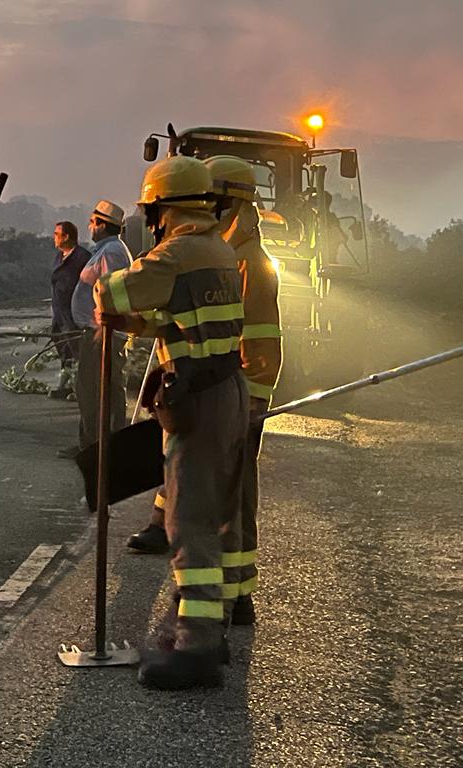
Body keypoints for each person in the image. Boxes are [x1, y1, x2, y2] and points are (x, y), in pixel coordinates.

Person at [95, 156, 247, 690]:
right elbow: (179, 316)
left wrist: (108, 295)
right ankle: (211, 626)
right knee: (216, 511)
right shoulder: (219, 249)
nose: (150, 219)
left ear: (163, 207)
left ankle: (196, 648)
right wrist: (141, 323)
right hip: (226, 389)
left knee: (188, 520)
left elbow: (111, 290)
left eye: (151, 209)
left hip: (197, 400)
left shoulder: (178, 252)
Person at [128, 156, 282, 628]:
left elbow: (259, 343)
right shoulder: (224, 250)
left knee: (230, 501)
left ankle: (226, 605)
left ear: (230, 202)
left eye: (212, 199)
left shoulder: (247, 260)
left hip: (233, 395)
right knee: (211, 495)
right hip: (210, 392)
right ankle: (232, 596)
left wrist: (253, 404)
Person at [57, 201, 132, 459]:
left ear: (102, 225)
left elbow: (112, 293)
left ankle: (98, 449)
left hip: (102, 335)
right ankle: (90, 445)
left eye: (92, 222)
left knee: (96, 392)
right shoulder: (105, 250)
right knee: (90, 390)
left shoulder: (112, 253)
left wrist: (103, 330)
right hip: (96, 333)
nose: (89, 226)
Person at [48, 221, 89, 399]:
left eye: (57, 234)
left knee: (77, 352)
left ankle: (79, 388)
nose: (54, 237)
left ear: (67, 237)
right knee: (64, 350)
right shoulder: (59, 257)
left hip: (73, 314)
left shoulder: (82, 258)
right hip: (59, 314)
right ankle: (65, 384)